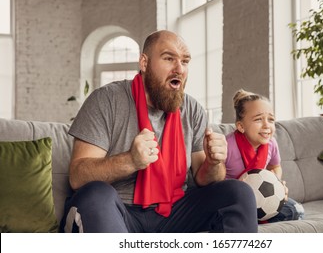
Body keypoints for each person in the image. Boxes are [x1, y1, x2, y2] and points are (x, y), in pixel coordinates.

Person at [60, 30, 258, 233]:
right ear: (144, 63)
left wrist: (215, 162)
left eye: (185, 61)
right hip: (119, 211)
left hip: (175, 212)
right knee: (95, 194)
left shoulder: (192, 110)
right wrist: (130, 160)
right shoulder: (106, 100)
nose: (179, 69)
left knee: (238, 193)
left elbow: (203, 178)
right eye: (169, 58)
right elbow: (78, 177)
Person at [225, 89, 304, 223]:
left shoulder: (271, 144)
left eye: (271, 119)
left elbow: (276, 166)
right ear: (241, 126)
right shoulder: (228, 145)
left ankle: (254, 219)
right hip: (234, 200)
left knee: (296, 210)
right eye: (258, 119)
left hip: (264, 201)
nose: (267, 125)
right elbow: (214, 180)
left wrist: (276, 183)